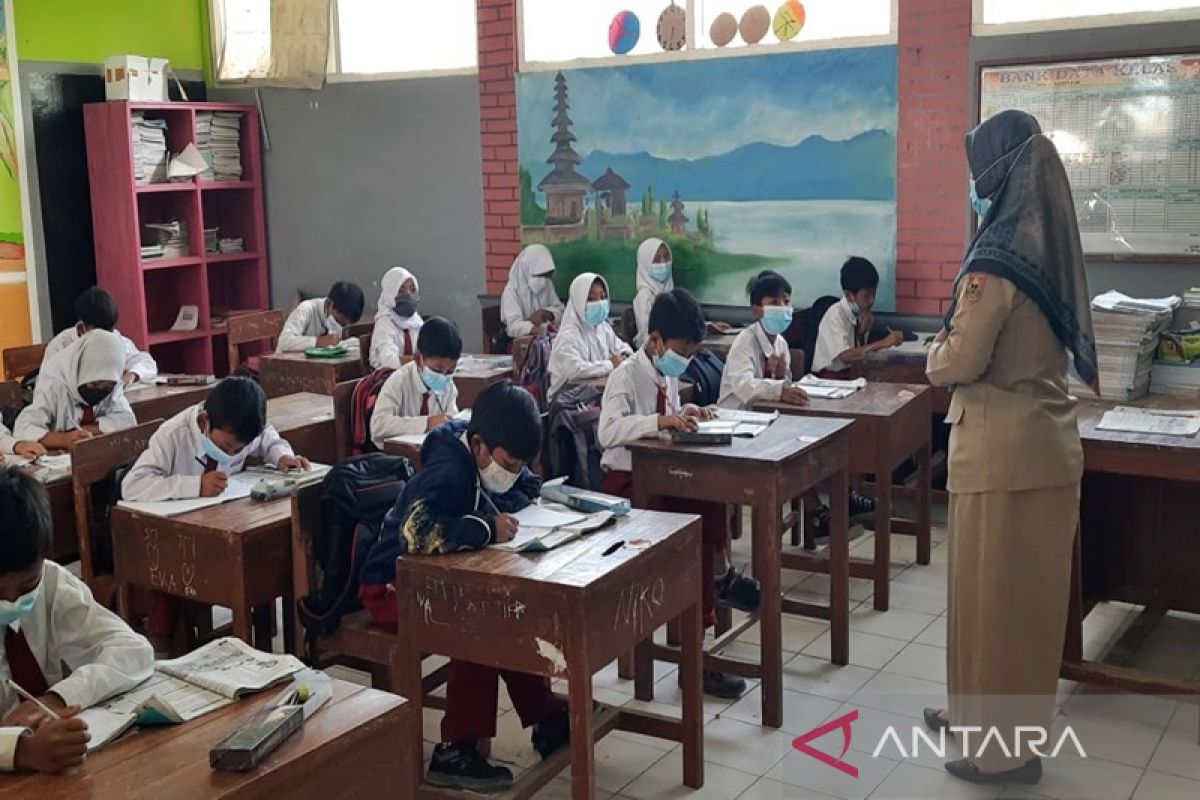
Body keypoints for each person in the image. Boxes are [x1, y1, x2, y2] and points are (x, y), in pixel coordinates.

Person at [923, 110, 1098, 787]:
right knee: (1002, 602)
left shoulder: (997, 262)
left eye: (977, 171)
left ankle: (1003, 754)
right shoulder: (1044, 249)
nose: (973, 185)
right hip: (1036, 452)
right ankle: (973, 714)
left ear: (999, 172)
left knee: (999, 609)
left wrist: (933, 353)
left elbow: (958, 359)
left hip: (1003, 460)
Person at [358, 381, 569, 792]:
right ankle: (455, 748)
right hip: (389, 589)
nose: (510, 473)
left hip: (437, 578)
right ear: (478, 445)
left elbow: (527, 485)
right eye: (506, 463)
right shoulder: (449, 470)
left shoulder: (492, 452)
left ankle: (546, 719)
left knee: (506, 613)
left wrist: (498, 514)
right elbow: (416, 534)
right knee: (479, 623)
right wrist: (487, 528)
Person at [597, 288, 761, 699]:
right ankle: (696, 650)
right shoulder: (626, 375)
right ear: (654, 341)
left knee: (711, 498)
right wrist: (659, 419)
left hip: (663, 475)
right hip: (630, 483)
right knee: (696, 525)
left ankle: (714, 590)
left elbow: (668, 417)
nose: (684, 361)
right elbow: (608, 432)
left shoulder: (664, 372)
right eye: (680, 351)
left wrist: (685, 414)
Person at [0, 468, 154, 773]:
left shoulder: (52, 583)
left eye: (27, 586)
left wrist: (58, 698)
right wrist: (20, 752)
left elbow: (133, 650)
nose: (12, 600)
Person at [121, 376, 310, 502]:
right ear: (204, 421)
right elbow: (132, 486)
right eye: (225, 447)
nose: (231, 455)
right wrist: (197, 486)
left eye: (239, 450)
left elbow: (267, 436)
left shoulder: (243, 431)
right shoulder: (174, 435)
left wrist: (282, 456)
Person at [15, 329, 135, 451]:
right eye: (93, 384)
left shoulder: (112, 381)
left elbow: (127, 421)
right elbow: (23, 428)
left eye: (108, 387)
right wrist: (64, 439)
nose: (100, 391)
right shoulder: (54, 382)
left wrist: (86, 431)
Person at [717, 270, 810, 409]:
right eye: (774, 302)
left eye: (786, 301)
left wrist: (780, 376)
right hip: (737, 417)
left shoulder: (781, 343)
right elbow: (744, 386)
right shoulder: (745, 342)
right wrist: (779, 390)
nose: (783, 307)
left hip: (765, 416)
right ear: (756, 311)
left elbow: (784, 388)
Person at [370, 316, 462, 449]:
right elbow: (378, 425)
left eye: (450, 371)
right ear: (418, 358)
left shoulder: (448, 385)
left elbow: (452, 419)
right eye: (437, 369)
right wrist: (426, 423)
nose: (443, 376)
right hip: (397, 458)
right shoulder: (399, 381)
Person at [42, 287, 157, 387]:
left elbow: (147, 362)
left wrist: (133, 374)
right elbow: (47, 385)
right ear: (82, 328)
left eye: (108, 332)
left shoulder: (115, 339)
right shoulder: (61, 345)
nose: (104, 339)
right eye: (98, 334)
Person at [546, 272, 632, 399]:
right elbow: (575, 370)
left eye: (603, 297)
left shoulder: (603, 327)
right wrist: (610, 364)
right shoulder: (569, 335)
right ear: (579, 301)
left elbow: (623, 349)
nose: (599, 303)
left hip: (594, 396)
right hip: (569, 404)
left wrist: (625, 357)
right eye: (591, 299)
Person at [811, 256, 904, 374]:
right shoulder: (835, 316)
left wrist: (861, 333)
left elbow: (858, 352)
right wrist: (883, 343)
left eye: (874, 294)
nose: (871, 301)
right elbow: (845, 357)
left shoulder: (859, 315)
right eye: (866, 296)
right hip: (830, 380)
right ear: (849, 295)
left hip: (853, 374)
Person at [277, 282, 366, 352]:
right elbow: (284, 342)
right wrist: (318, 342)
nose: (340, 327)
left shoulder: (338, 317)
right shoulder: (306, 309)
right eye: (338, 322)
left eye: (344, 325)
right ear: (328, 304)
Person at [499, 245, 564, 340]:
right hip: (520, 342)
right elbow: (513, 326)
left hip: (545, 339)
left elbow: (560, 310)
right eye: (539, 275)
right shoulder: (511, 291)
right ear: (527, 270)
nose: (544, 280)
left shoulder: (547, 285)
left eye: (547, 275)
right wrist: (535, 328)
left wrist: (548, 313)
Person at [370, 266, 424, 370]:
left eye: (412, 290)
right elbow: (388, 361)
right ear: (390, 295)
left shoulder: (417, 322)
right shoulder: (384, 323)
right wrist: (416, 361)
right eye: (401, 291)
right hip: (390, 379)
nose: (408, 295)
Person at [631, 237, 673, 348]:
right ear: (646, 264)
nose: (663, 263)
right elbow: (646, 339)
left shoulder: (669, 290)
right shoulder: (645, 297)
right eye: (657, 259)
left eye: (666, 257)